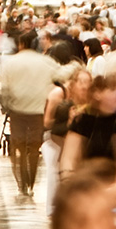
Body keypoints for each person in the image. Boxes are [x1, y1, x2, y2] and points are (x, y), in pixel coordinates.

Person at [0, 32, 58, 199]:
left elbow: (4, 89)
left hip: (18, 111)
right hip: (39, 111)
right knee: (33, 147)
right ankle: (30, 182)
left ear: (21, 44)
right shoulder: (47, 62)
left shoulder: (11, 62)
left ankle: (22, 182)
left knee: (18, 146)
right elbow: (57, 81)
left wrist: (7, 106)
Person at [60, 75, 116, 189]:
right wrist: (68, 179)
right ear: (97, 94)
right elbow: (69, 157)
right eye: (113, 89)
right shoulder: (83, 121)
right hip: (86, 186)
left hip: (114, 188)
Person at [43, 66, 91, 210]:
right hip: (59, 144)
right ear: (73, 83)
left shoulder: (94, 105)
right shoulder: (62, 101)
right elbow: (50, 125)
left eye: (87, 82)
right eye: (80, 81)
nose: (84, 86)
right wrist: (70, 122)